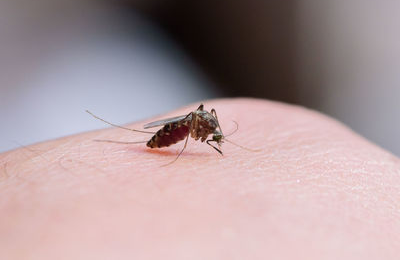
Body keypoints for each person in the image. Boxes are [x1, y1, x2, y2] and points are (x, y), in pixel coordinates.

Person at [1, 98, 399, 259]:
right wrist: (190, 135)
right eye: (214, 136)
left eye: (213, 136)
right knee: (197, 118)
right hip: (173, 130)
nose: (213, 137)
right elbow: (199, 120)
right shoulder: (201, 125)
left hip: (187, 125)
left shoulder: (210, 125)